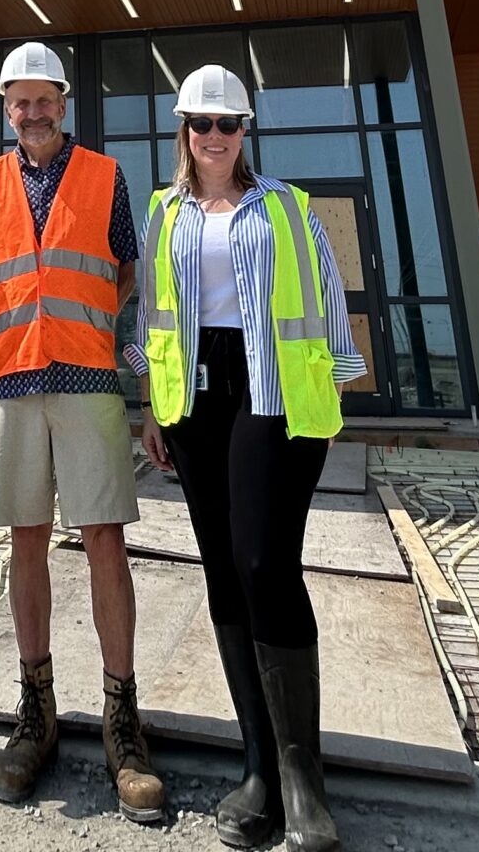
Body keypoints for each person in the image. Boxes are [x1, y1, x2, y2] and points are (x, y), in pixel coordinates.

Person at [134, 65, 361, 852]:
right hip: (195, 402)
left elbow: (329, 301)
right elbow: (153, 314)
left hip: (272, 399)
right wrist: (152, 410)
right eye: (202, 124)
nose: (215, 138)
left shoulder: (287, 208)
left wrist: (333, 397)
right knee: (224, 570)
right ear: (184, 132)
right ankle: (259, 769)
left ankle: (304, 780)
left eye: (229, 125)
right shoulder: (165, 212)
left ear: (246, 132)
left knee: (267, 564)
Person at [0, 41, 166, 824]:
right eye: (20, 100)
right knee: (24, 541)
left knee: (106, 539)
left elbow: (126, 278)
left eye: (44, 97)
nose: (33, 111)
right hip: (11, 384)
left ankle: (123, 721)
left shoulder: (108, 177)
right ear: (6, 108)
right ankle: (35, 712)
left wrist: (125, 371)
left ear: (64, 101)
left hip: (87, 381)